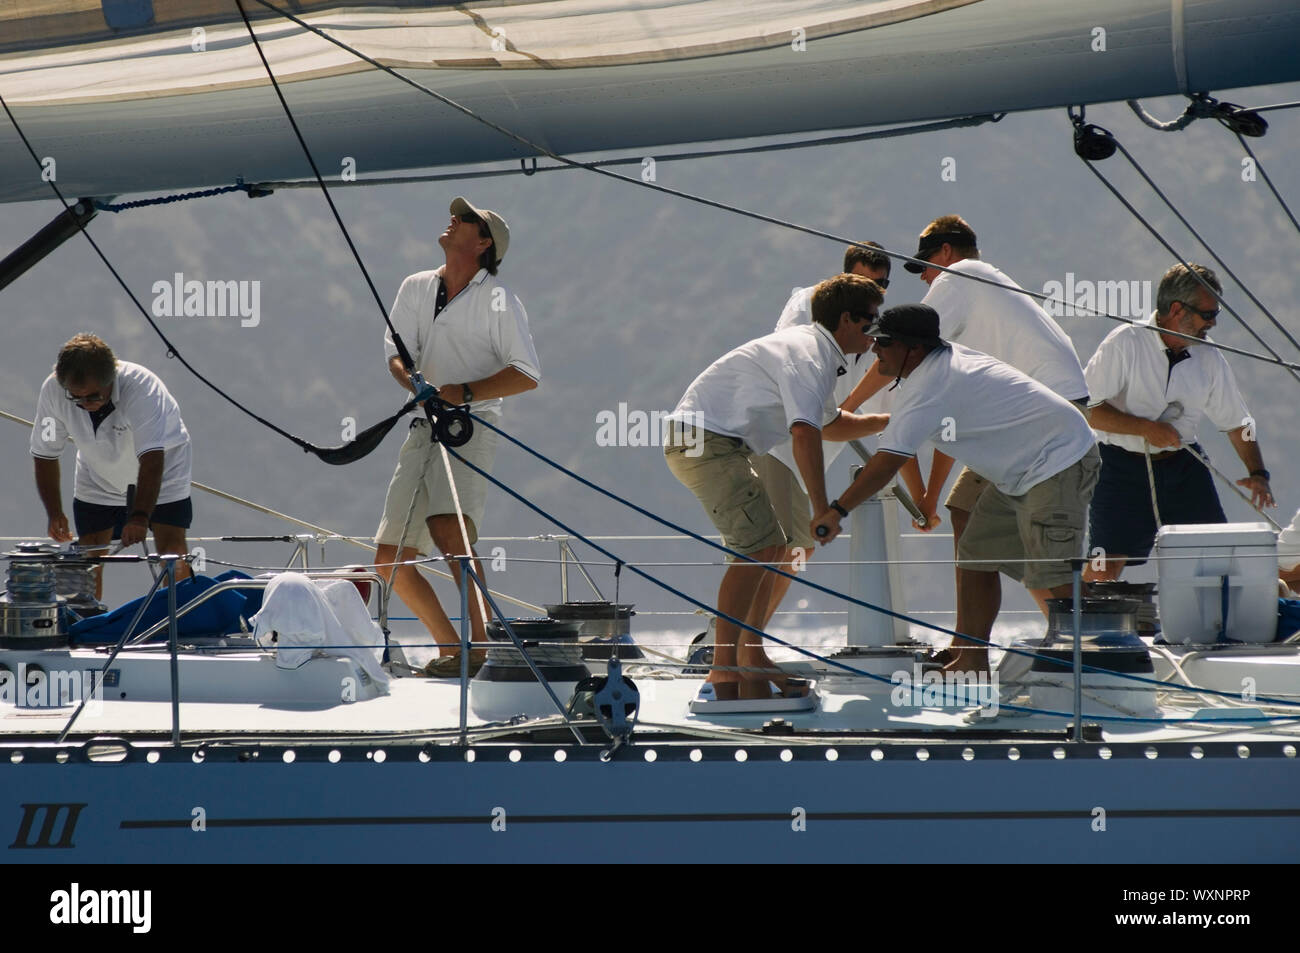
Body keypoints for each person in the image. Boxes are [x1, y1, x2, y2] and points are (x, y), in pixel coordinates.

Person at [812, 304, 1099, 673]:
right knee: (976, 552)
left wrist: (836, 512)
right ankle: (972, 661)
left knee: (1054, 573)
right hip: (1021, 472)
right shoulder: (933, 369)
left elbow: (886, 464)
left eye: (883, 342)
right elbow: (922, 444)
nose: (874, 349)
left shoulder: (930, 386)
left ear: (913, 349)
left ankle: (1101, 667)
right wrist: (925, 497)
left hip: (1060, 460)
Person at [665, 274, 889, 700]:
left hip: (711, 441)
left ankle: (748, 659)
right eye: (869, 323)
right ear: (845, 319)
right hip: (705, 441)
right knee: (758, 547)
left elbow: (830, 423)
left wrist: (891, 422)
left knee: (771, 546)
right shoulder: (809, 355)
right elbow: (804, 433)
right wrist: (823, 508)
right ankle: (723, 669)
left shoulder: (817, 351)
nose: (874, 335)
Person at [372, 197, 541, 677]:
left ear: (483, 242)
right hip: (423, 424)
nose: (453, 220)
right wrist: (414, 382)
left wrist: (463, 392)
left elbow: (526, 373)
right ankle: (452, 651)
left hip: (473, 424)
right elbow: (395, 354)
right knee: (389, 560)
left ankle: (481, 649)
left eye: (465, 219)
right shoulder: (416, 285)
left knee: (452, 530)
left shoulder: (498, 299)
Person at [754, 242, 925, 630]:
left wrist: (923, 499)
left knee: (799, 548)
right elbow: (796, 375)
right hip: (782, 448)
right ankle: (736, 642)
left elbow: (895, 422)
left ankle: (749, 636)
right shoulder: (809, 305)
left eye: (883, 284)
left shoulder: (875, 334)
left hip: (812, 453)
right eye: (867, 282)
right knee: (778, 547)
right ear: (846, 278)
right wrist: (839, 411)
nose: (876, 292)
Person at [1082, 263, 1275, 582]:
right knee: (1107, 560)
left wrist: (1258, 473)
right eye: (1208, 314)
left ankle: (1218, 626)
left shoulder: (1209, 356)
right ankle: (1087, 627)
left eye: (1215, 315)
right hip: (1120, 467)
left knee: (1216, 555)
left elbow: (1240, 422)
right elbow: (1087, 409)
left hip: (1183, 465)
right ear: (1176, 310)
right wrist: (1145, 428)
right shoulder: (1126, 342)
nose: (1212, 324)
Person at [31, 333, 194, 599]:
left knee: (171, 551)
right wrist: (54, 512)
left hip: (164, 470)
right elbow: (45, 454)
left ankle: (181, 621)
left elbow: (152, 458)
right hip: (98, 473)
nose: (85, 405)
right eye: (76, 398)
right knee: (88, 555)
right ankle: (87, 627)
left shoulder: (142, 389)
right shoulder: (53, 391)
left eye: (93, 396)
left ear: (111, 379)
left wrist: (140, 517)